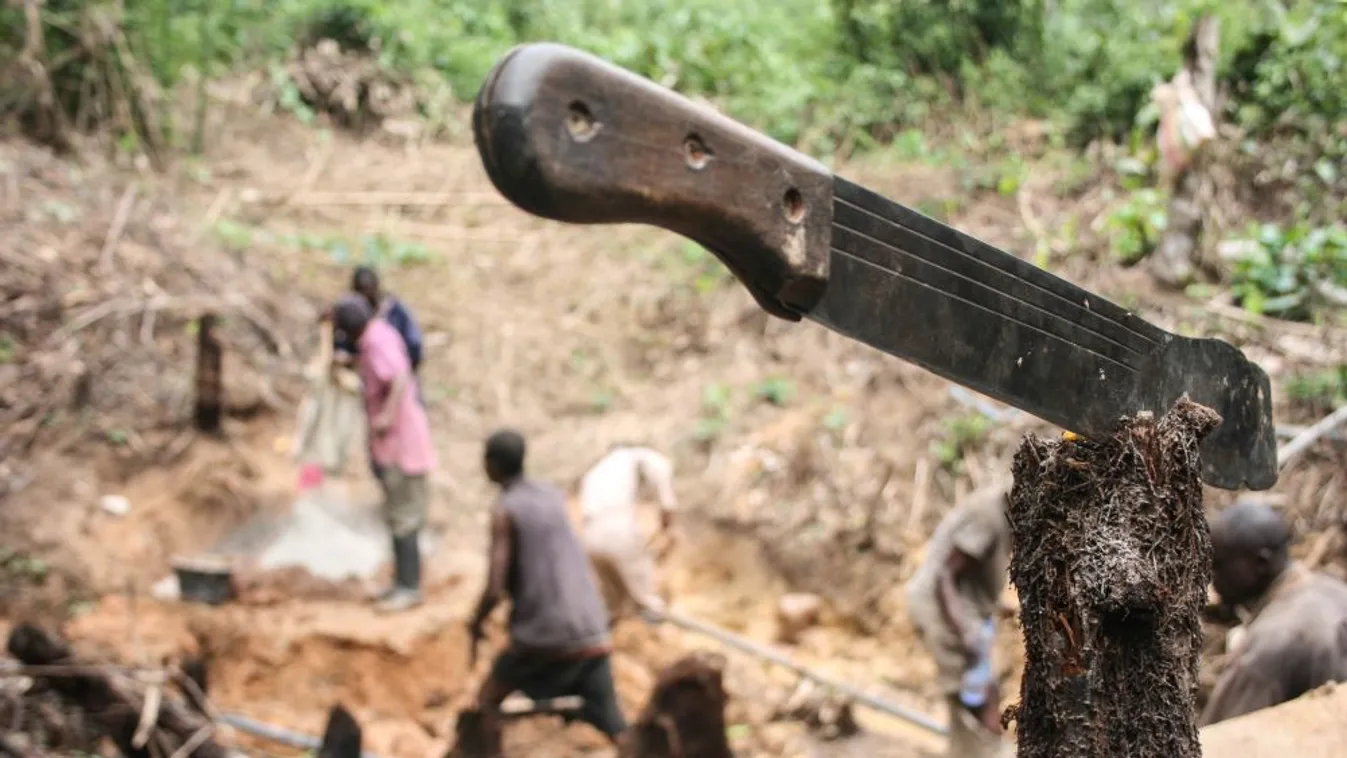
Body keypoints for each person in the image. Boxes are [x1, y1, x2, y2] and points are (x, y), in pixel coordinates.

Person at [468, 430, 627, 745]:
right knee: (613, 723)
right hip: (591, 628)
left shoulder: (506, 509)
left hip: (543, 634)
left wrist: (475, 621)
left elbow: (495, 586)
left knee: (486, 703)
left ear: (493, 465)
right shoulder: (552, 495)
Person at [1199, 498, 1347, 726]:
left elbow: (1224, 738)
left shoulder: (1271, 644)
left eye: (1219, 565)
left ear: (1261, 563)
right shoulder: (1335, 590)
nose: (1211, 578)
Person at [331, 294, 435, 613]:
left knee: (404, 519)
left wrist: (387, 415)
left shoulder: (376, 343)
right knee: (396, 516)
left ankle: (409, 587)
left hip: (402, 448)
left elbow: (399, 377)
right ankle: (400, 582)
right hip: (394, 447)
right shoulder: (378, 336)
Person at [904, 485, 1012, 758]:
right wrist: (965, 632)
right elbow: (945, 576)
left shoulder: (1006, 512)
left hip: (968, 609)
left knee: (984, 693)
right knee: (972, 700)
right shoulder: (988, 517)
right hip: (944, 609)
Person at [576, 443, 677, 624]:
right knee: (647, 600)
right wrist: (667, 529)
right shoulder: (652, 459)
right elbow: (667, 505)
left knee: (613, 604)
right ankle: (659, 635)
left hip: (590, 537)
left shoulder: (597, 470)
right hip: (618, 530)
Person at [344, 265, 424, 375]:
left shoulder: (394, 311)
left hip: (397, 375)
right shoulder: (357, 317)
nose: (365, 297)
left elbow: (414, 345)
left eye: (367, 290)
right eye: (361, 293)